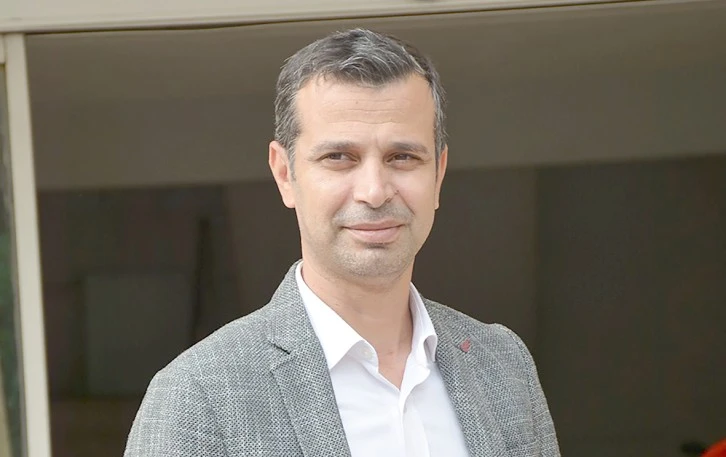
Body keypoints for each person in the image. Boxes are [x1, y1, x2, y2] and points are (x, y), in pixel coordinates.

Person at [124, 28, 560, 457]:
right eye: (339, 157)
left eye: (402, 157)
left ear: (438, 174)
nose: (374, 191)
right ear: (285, 174)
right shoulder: (198, 396)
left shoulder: (502, 365)